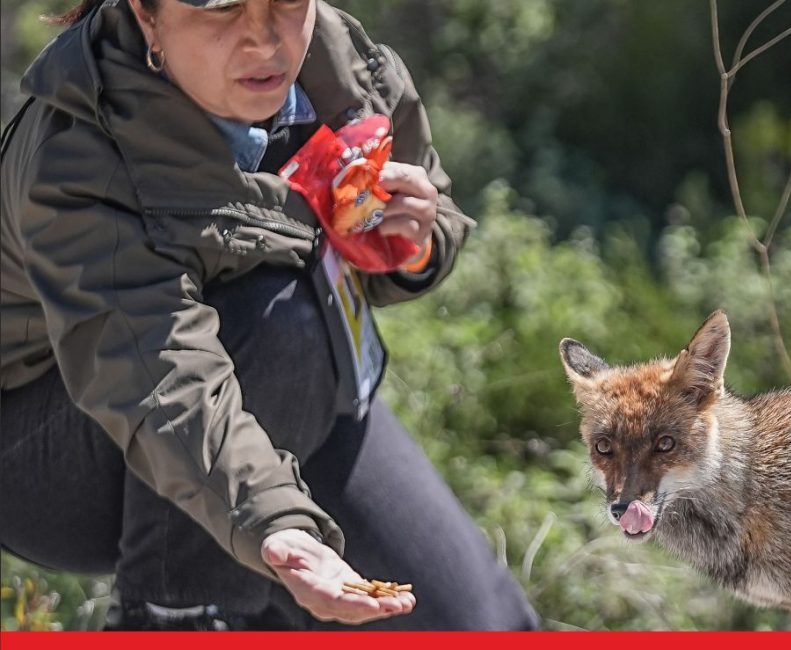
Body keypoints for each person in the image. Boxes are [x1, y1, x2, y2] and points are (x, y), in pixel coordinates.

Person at [0, 0, 539, 631]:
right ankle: (177, 616)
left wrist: (412, 243)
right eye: (219, 6)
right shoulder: (80, 151)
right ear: (146, 16)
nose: (262, 37)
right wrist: (275, 521)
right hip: (57, 446)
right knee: (282, 320)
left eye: (285, 1)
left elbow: (428, 203)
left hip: (289, 388)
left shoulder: (341, 66)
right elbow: (156, 371)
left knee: (484, 626)